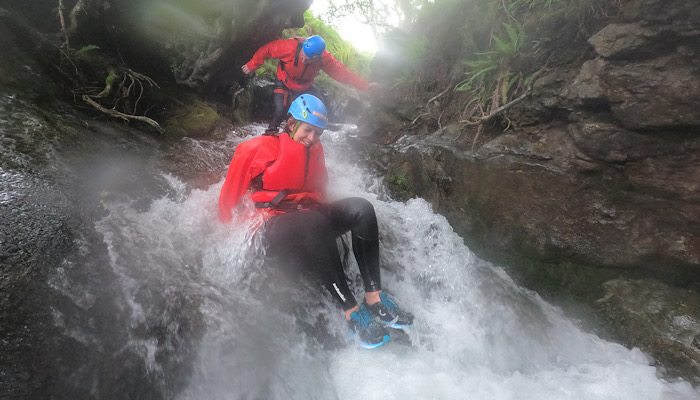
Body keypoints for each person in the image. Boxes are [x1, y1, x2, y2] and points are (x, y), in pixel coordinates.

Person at [219, 94, 413, 349]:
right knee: (313, 221)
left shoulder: (316, 150)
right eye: (308, 130)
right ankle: (351, 312)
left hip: (310, 222)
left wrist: (330, 215)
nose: (312, 138)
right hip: (272, 224)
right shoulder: (256, 149)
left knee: (362, 208)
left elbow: (320, 190)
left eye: (318, 133)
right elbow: (228, 197)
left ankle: (374, 297)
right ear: (291, 124)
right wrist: (227, 231)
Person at [241, 35, 374, 136]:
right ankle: (269, 135)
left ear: (317, 57)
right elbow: (267, 50)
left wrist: (364, 86)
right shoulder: (290, 47)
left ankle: (294, 136)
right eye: (304, 55)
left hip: (305, 87)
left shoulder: (324, 58)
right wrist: (252, 65)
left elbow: (343, 74)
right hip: (284, 81)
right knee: (280, 110)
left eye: (309, 58)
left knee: (319, 111)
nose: (304, 59)